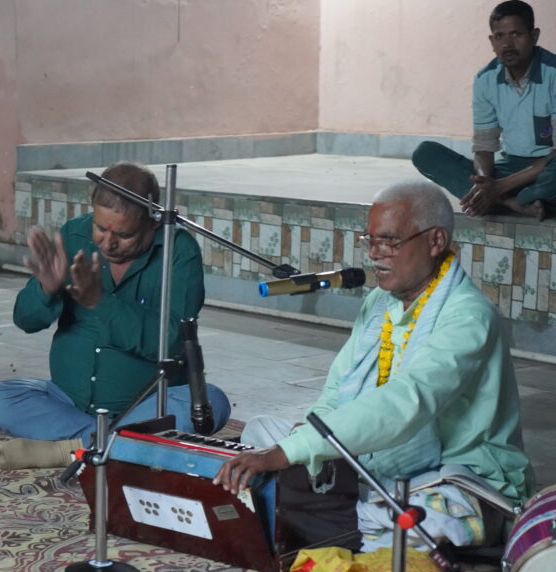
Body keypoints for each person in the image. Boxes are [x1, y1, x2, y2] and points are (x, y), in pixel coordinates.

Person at [214, 180, 533, 551]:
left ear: (435, 241)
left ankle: (320, 515)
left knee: (424, 525)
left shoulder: (467, 316)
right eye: (370, 241)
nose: (375, 255)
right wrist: (307, 437)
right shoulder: (380, 304)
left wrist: (290, 454)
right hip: (374, 465)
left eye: (389, 242)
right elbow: (337, 391)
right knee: (263, 431)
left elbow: (405, 403)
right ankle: (324, 511)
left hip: (455, 477)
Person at [0, 161, 231, 468]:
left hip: (148, 405)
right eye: (100, 228)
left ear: (153, 222)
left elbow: (170, 343)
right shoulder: (74, 235)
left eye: (124, 235)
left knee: (211, 403)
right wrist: (44, 291)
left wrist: (100, 302)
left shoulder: (178, 251)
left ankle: (74, 448)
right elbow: (26, 320)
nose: (108, 242)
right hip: (68, 402)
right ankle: (113, 445)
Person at [412, 1, 556, 220]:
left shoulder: (553, 73)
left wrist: (500, 186)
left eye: (516, 34)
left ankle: (513, 199)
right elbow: (484, 147)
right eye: (499, 36)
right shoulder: (485, 79)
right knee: (426, 153)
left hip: (547, 167)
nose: (508, 44)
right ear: (492, 41)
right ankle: (515, 203)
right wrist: (485, 184)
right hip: (513, 168)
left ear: (534, 36)